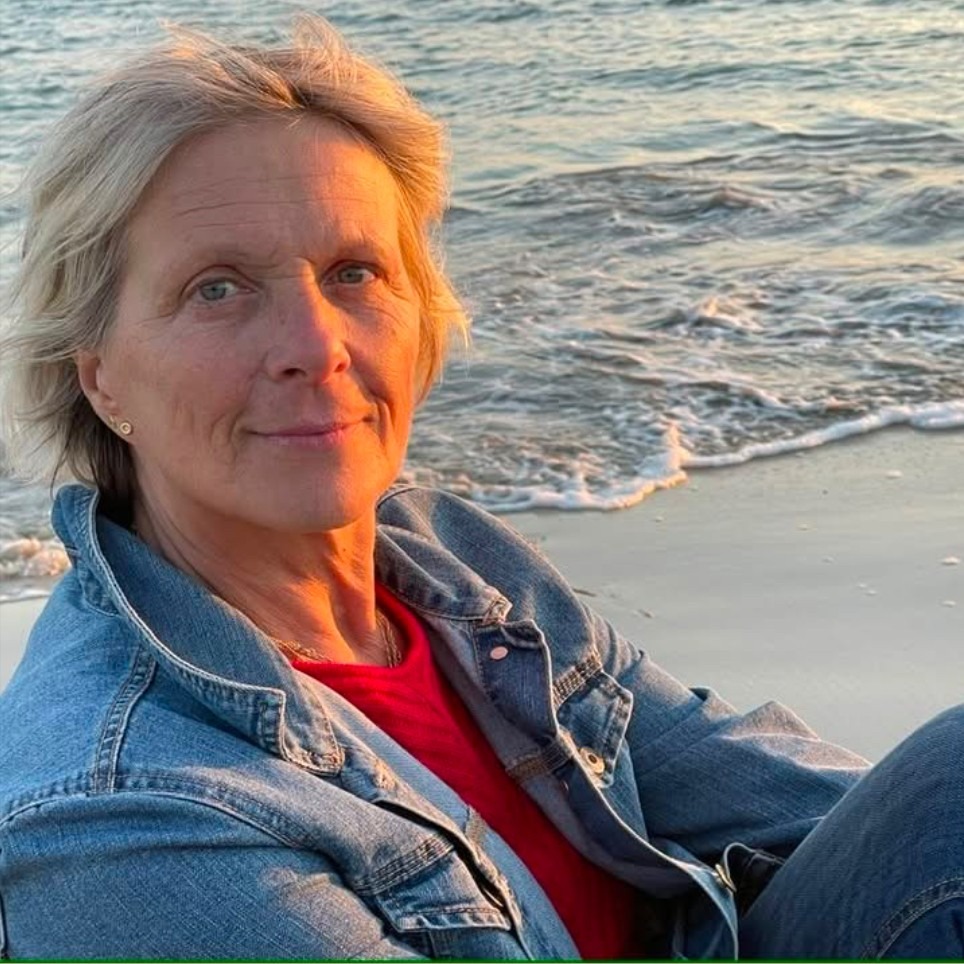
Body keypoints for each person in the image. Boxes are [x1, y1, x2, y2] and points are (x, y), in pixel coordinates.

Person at [0, 14, 961, 961]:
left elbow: (817, 815)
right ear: (99, 374)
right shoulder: (117, 813)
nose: (315, 345)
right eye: (217, 288)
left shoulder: (456, 570)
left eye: (354, 272)